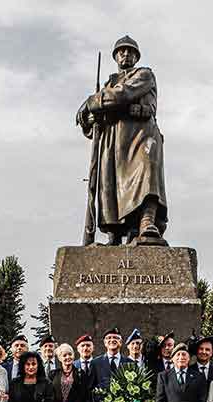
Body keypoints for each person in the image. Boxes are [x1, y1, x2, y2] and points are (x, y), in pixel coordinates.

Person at [76, 35, 167, 246]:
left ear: (136, 56)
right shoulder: (108, 84)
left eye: (130, 51)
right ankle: (114, 237)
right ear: (116, 56)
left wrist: (91, 102)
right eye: (121, 51)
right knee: (110, 186)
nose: (126, 54)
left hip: (140, 136)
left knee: (146, 172)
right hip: (114, 141)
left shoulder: (144, 74)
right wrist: (89, 118)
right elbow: (94, 123)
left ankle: (147, 224)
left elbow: (123, 94)